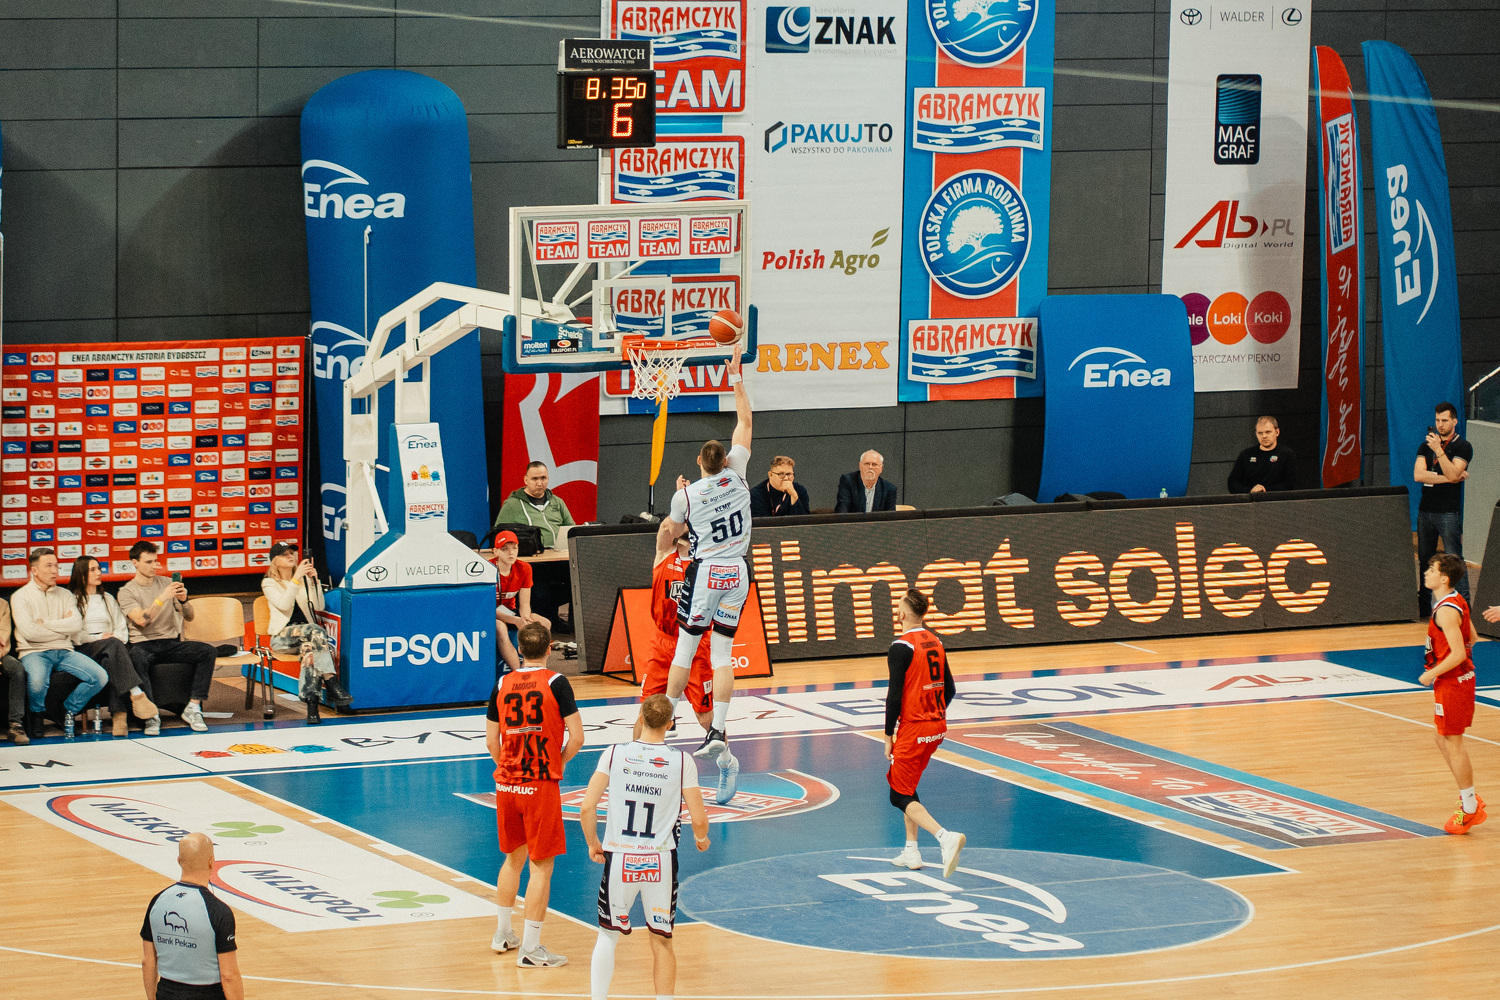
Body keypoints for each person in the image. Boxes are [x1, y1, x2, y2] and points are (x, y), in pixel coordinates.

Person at [581, 694, 711, 1000]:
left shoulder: (614, 754)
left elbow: (587, 807)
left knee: (608, 935)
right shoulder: (682, 762)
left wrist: (593, 843)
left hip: (620, 856)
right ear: (670, 723)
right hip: (660, 861)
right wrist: (701, 839)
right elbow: (699, 819)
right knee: (662, 941)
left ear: (639, 718)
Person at [656, 350, 753, 763]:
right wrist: (736, 378)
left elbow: (674, 532)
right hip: (739, 571)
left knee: (685, 648)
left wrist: (682, 497)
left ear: (699, 461)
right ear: (726, 460)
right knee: (722, 654)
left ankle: (664, 721)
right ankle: (718, 729)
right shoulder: (739, 472)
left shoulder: (686, 495)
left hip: (707, 571)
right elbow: (745, 421)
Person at [486, 621, 584, 968]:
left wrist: (509, 768)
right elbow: (577, 737)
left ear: (519, 649)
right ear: (550, 647)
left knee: (513, 858)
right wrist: (557, 762)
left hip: (506, 782)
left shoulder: (502, 683)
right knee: (541, 866)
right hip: (539, 783)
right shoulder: (557, 682)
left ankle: (502, 934)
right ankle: (530, 948)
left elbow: (491, 742)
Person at [638, 512, 736, 803]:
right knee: (646, 711)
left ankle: (727, 763)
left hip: (695, 642)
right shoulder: (663, 552)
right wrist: (682, 501)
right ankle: (636, 770)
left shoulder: (707, 561)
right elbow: (667, 525)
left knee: (706, 716)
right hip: (663, 642)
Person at [884, 588, 966, 877]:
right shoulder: (936, 641)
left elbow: (894, 697)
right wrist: (932, 713)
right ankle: (911, 850)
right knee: (908, 787)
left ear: (903, 613)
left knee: (898, 795)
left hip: (914, 729)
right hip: (937, 725)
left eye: (898, 605)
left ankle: (945, 837)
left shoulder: (900, 647)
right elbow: (950, 689)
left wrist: (888, 735)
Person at [118, 541, 219, 733]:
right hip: (144, 644)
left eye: (155, 561)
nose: (154, 566)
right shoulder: (127, 591)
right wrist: (162, 598)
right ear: (135, 563)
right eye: (148, 562)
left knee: (207, 651)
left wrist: (184, 600)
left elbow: (189, 616)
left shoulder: (166, 583)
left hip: (171, 642)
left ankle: (193, 707)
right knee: (136, 657)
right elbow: (141, 620)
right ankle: (151, 715)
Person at [9, 548, 108, 740]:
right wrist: (62, 627)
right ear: (34, 570)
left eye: (56, 565)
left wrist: (45, 623)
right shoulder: (20, 596)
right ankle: (37, 715)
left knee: (99, 677)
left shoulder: (65, 595)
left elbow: (76, 625)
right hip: (34, 651)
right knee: (37, 682)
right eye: (48, 566)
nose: (55, 570)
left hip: (64, 650)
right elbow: (29, 633)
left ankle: (66, 710)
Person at [1420, 554, 1484, 835]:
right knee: (1441, 737)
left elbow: (1458, 653)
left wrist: (1430, 673)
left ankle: (1470, 807)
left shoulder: (1446, 611)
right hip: (1456, 681)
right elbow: (1473, 637)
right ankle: (1469, 796)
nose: (1426, 572)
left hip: (1454, 683)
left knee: (1453, 742)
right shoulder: (1456, 600)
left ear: (1444, 578)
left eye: (1431, 570)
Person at [141, 831, 242, 1000]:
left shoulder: (157, 902)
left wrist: (152, 997)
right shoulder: (219, 911)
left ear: (179, 861)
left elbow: (148, 961)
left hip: (166, 993)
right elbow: (229, 976)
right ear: (211, 862)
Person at [69, 554, 160, 738]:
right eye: (92, 570)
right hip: (85, 648)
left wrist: (112, 638)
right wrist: (98, 637)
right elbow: (74, 635)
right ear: (82, 575)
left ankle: (120, 716)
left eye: (99, 568)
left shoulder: (108, 598)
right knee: (112, 646)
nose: (98, 573)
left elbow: (121, 628)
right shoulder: (71, 599)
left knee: (111, 660)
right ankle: (136, 693)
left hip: (111, 647)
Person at [261, 541, 352, 715]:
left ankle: (312, 706)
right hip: (283, 637)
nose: (290, 556)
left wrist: (314, 581)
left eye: (291, 553)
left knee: (310, 653)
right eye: (284, 554)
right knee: (315, 630)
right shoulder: (269, 583)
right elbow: (284, 604)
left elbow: (318, 606)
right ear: (275, 561)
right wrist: (295, 580)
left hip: (308, 636)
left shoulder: (303, 580)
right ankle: (332, 683)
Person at [1415, 402, 1472, 616]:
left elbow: (1454, 472)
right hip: (1425, 510)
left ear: (1454, 421)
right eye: (1437, 420)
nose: (1440, 425)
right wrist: (1450, 477)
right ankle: (1424, 607)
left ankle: (1463, 606)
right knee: (1425, 559)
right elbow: (1418, 475)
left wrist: (1439, 451)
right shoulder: (1425, 446)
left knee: (1454, 559)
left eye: (1445, 420)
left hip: (1448, 511)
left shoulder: (1463, 446)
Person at [491, 530, 548, 675]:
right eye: (505, 549)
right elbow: (487, 608)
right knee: (500, 627)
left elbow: (524, 604)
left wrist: (525, 618)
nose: (511, 553)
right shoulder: (487, 569)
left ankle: (539, 668)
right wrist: (515, 620)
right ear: (496, 551)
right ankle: (519, 673)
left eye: (514, 548)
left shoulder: (524, 568)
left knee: (544, 624)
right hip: (492, 613)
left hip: (510, 610)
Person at [494, 461, 576, 550]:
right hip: (531, 555)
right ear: (526, 480)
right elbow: (499, 535)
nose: (539, 483)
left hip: (559, 554)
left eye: (543, 478)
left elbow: (572, 530)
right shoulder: (512, 504)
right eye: (534, 479)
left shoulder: (557, 501)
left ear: (548, 478)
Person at [1227, 416, 1297, 494]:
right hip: (1251, 499)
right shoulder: (1246, 454)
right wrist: (1250, 490)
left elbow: (1290, 483)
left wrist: (1265, 490)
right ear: (1256, 434)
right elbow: (1232, 483)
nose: (1264, 436)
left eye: (1268, 432)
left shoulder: (1286, 454)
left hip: (1277, 499)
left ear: (1277, 432)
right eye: (1260, 433)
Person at [1, 600, 30, 745]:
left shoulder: (2, 604)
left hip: (1, 655)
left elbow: (3, 639)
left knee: (17, 669)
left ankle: (16, 725)